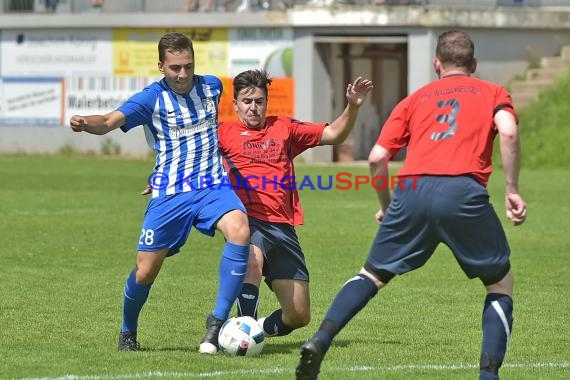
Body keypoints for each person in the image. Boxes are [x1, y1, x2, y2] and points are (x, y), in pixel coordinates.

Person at [296, 30, 527, 380]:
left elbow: (376, 157)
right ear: (474, 64)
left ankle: (321, 340)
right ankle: (488, 374)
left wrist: (388, 205)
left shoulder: (414, 98)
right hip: (463, 192)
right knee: (499, 283)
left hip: (412, 189)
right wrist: (511, 188)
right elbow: (507, 132)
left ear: (437, 64)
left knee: (372, 275)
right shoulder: (492, 91)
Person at [69, 32, 250, 355]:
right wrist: (85, 123)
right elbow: (109, 121)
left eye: (188, 66)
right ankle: (128, 331)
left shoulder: (212, 87)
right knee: (146, 270)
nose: (182, 74)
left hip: (212, 186)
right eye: (175, 68)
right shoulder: (150, 99)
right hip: (170, 194)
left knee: (240, 230)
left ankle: (217, 323)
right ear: (161, 66)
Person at [217, 70, 373, 339]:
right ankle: (243, 329)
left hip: (282, 227)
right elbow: (190, 157)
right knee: (251, 259)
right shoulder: (222, 133)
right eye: (246, 101)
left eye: (259, 101)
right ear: (235, 104)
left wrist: (353, 107)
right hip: (246, 219)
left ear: (266, 102)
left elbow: (334, 134)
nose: (253, 107)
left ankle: (257, 331)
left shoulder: (284, 128)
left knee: (299, 315)